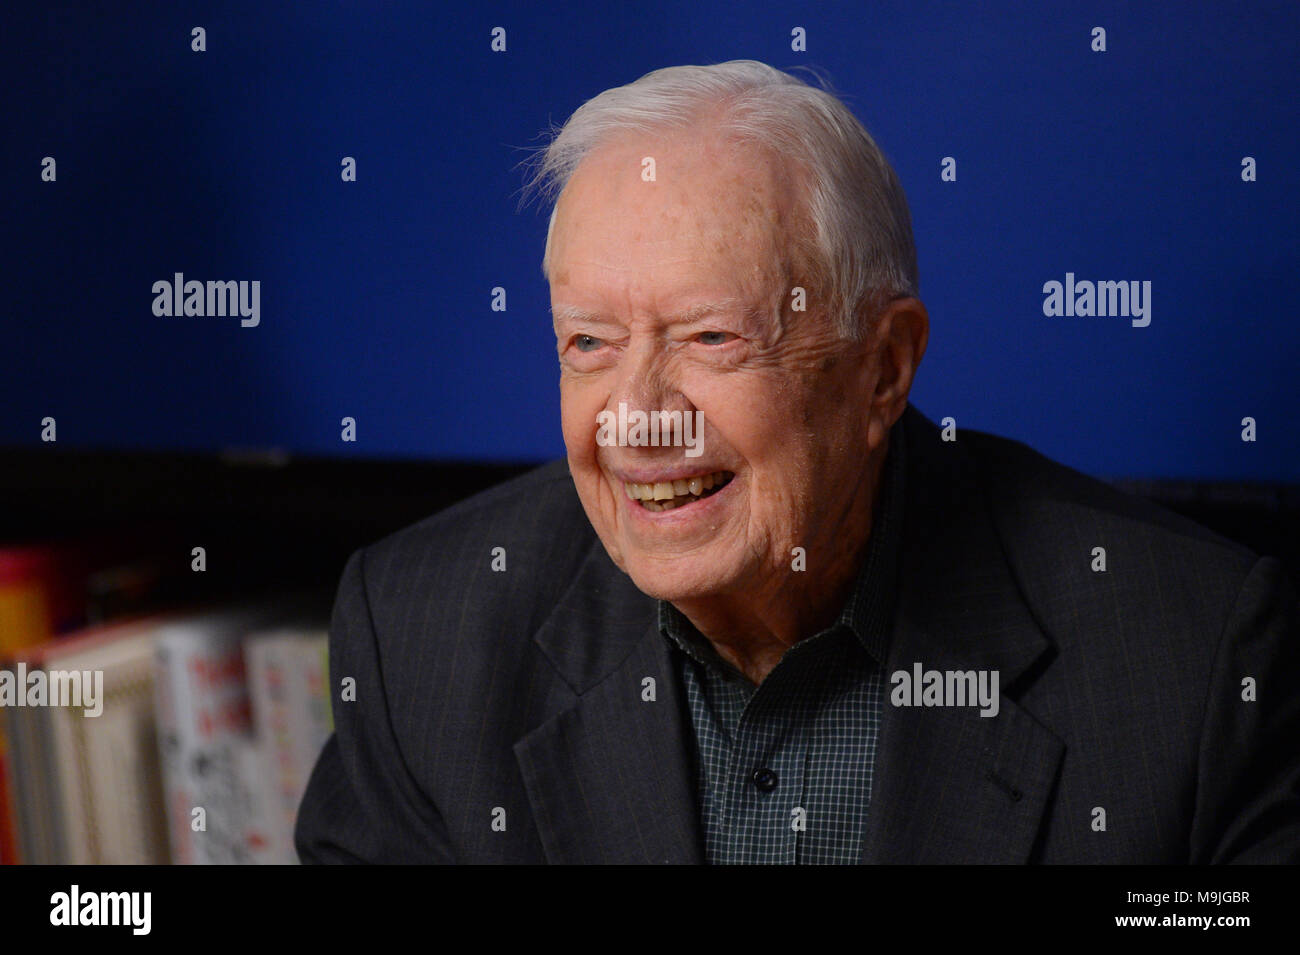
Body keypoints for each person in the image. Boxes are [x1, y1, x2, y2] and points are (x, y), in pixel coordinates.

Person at [296, 60, 1299, 864]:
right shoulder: (419, 639)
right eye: (588, 344)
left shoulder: (1193, 661)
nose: (638, 420)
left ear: (883, 368)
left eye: (711, 339)